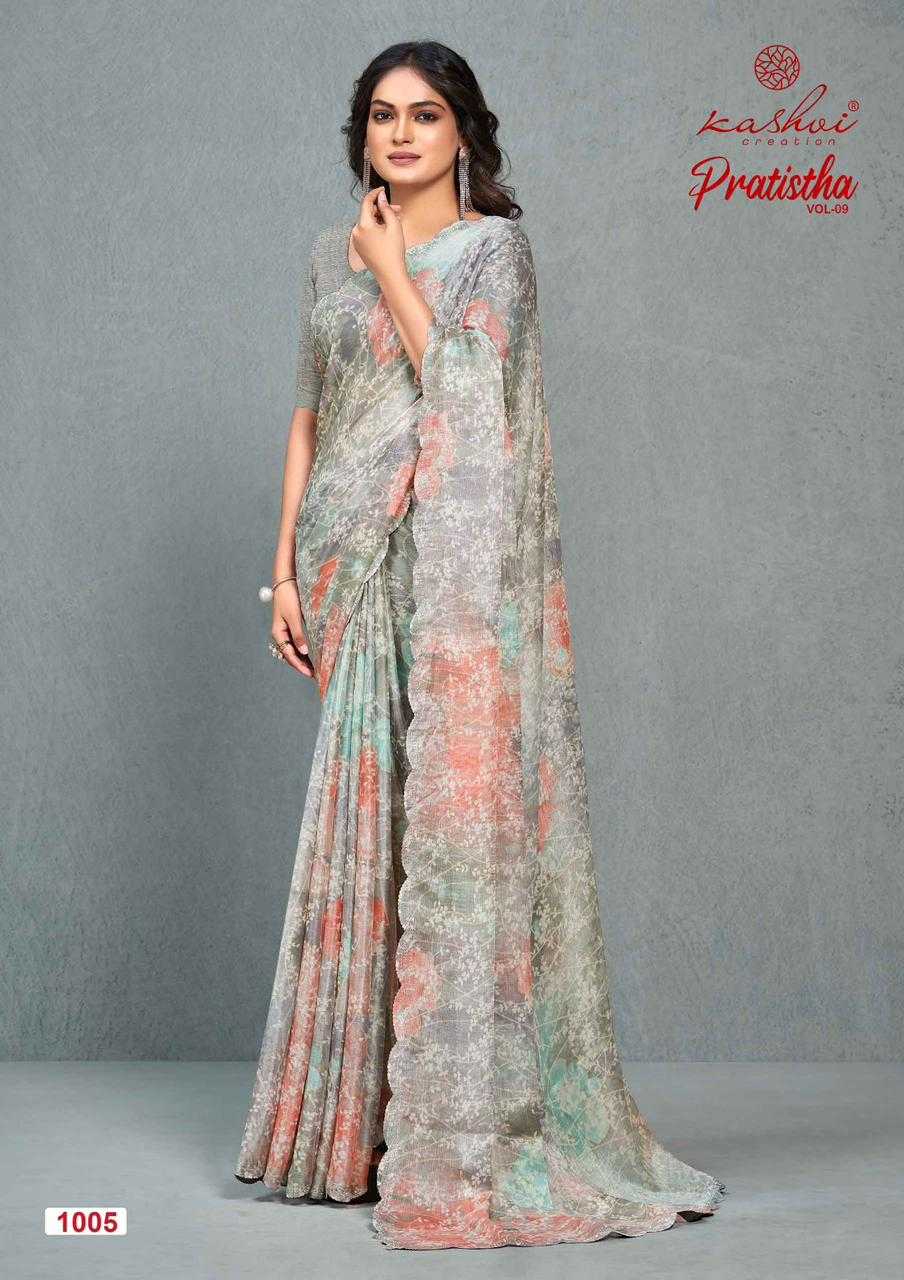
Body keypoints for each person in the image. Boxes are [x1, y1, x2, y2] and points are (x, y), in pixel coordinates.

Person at [233, 39, 727, 1251]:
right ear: (362, 134)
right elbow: (309, 417)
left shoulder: (493, 252)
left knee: (441, 834)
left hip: (439, 562)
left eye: (425, 114)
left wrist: (389, 267)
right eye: (382, 115)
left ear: (464, 133)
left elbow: (461, 387)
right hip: (345, 563)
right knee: (364, 826)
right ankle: (342, 1133)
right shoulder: (328, 254)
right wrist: (283, 569)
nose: (401, 134)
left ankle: (451, 1130)